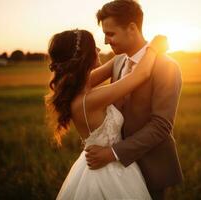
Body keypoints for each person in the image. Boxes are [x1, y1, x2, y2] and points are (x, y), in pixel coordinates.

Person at [45, 29, 167, 199]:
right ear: (85, 57)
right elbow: (141, 74)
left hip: (102, 166)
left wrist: (126, 46)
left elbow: (117, 61)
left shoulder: (76, 88)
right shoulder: (90, 99)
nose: (99, 50)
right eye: (94, 47)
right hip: (109, 173)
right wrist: (153, 47)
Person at [85, 0, 184, 199]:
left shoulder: (167, 66)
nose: (105, 41)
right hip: (114, 172)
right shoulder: (118, 60)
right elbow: (81, 83)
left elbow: (161, 125)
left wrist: (112, 153)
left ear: (132, 28)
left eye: (110, 33)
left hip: (150, 168)